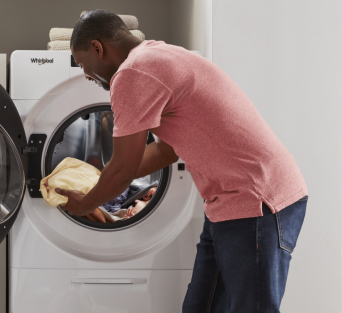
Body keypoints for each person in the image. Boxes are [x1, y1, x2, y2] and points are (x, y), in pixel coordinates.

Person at [55, 9, 308, 313]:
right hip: (230, 203)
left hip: (256, 201)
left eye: (83, 63)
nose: (85, 73)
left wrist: (86, 203)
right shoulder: (158, 54)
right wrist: (100, 181)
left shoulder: (131, 73)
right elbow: (166, 151)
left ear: (98, 48)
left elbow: (123, 169)